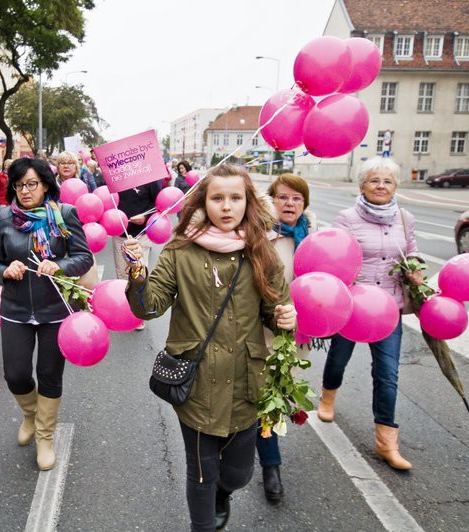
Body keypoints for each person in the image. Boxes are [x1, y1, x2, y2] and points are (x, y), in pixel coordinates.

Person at [123, 163, 296, 532]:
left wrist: (285, 319)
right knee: (201, 472)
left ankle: (224, 493)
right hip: (198, 384)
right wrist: (137, 270)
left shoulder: (262, 252)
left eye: (236, 198)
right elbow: (149, 307)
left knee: (238, 473)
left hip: (247, 382)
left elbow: (274, 309)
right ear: (204, 202)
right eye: (218, 198)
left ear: (248, 202)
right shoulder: (179, 251)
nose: (227, 206)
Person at [0, 158, 92, 471]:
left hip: (54, 309)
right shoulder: (4, 216)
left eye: (32, 184)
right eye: (19, 185)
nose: (25, 191)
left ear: (45, 184)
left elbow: (83, 257)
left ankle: (45, 436)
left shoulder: (65, 215)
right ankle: (31, 413)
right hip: (16, 308)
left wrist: (60, 266)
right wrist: (6, 270)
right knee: (15, 374)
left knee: (49, 374)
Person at [319, 157, 423, 471]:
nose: (381, 186)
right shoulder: (347, 218)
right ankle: (327, 397)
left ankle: (386, 441)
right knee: (338, 357)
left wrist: (416, 269)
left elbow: (412, 250)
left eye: (387, 181)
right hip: (354, 306)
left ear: (395, 187)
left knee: (387, 374)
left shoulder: (405, 218)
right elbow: (334, 255)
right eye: (374, 180)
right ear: (362, 185)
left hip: (388, 308)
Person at [258, 174, 318, 502]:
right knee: (266, 394)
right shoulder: (260, 236)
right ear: (272, 201)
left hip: (294, 333)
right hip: (259, 328)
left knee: (279, 392)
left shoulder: (311, 239)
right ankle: (271, 466)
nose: (290, 204)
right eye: (283, 197)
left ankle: (262, 452)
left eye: (297, 198)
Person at [111, 178, 161, 325]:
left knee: (139, 272)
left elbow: (159, 203)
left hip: (142, 233)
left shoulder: (148, 177)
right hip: (120, 234)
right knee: (122, 273)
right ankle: (126, 311)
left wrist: (145, 217)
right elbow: (107, 203)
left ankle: (139, 313)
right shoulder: (114, 178)